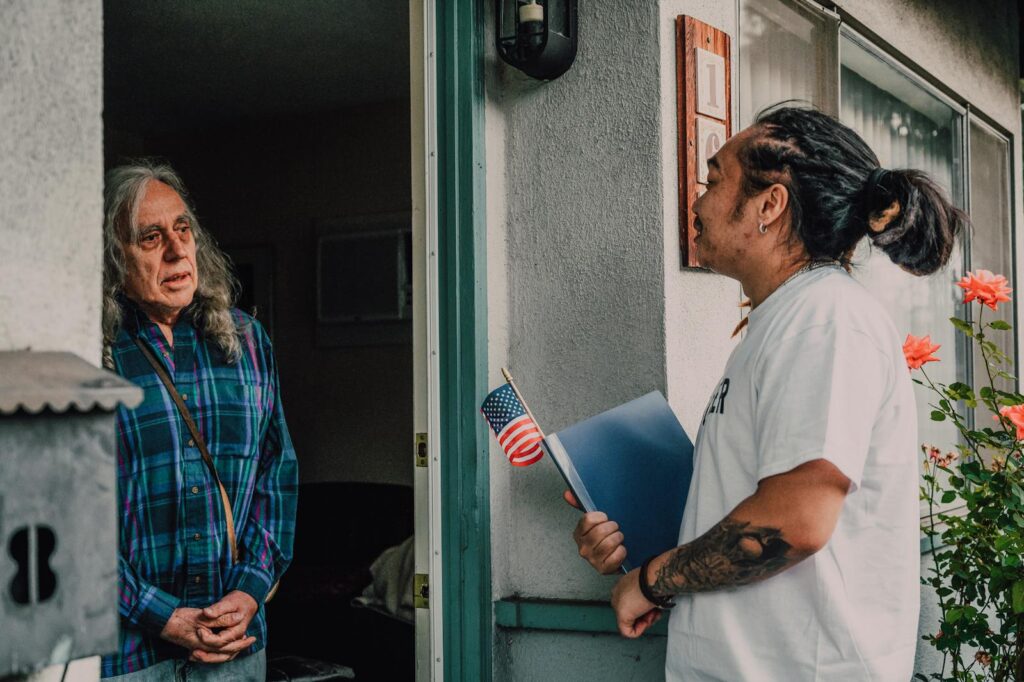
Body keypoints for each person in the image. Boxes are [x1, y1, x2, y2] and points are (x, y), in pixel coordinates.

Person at [569, 105, 965, 680]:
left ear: (769, 206)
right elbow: (762, 508)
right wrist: (635, 535)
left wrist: (655, 580)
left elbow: (792, 523)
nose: (698, 202)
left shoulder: (825, 320)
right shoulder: (787, 321)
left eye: (713, 180)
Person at [99, 162, 298, 679]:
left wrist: (249, 591)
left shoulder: (248, 342)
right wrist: (162, 616)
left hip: (236, 651)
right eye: (150, 236)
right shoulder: (87, 352)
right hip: (126, 659)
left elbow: (277, 479)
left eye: (182, 228)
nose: (175, 249)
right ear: (113, 258)